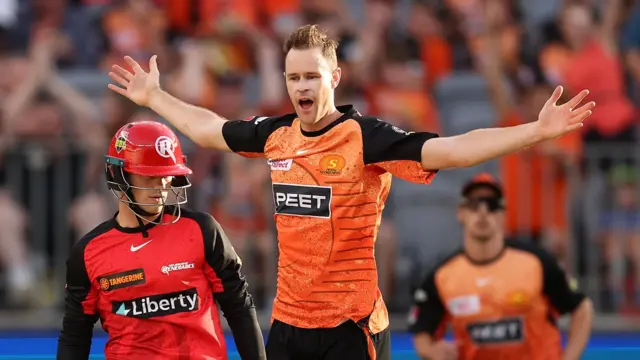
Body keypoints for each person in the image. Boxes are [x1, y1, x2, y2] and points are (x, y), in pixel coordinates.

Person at [106, 24, 594, 360]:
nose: (303, 86)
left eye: (312, 76)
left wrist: (535, 131)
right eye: (294, 77)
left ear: (334, 78)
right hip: (289, 326)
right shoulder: (277, 135)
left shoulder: (367, 137)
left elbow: (454, 149)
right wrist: (154, 98)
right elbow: (211, 130)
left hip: (351, 328)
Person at [57, 121, 265, 360]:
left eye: (166, 177)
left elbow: (239, 307)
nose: (161, 187)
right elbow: (75, 337)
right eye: (148, 177)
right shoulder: (88, 252)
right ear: (118, 175)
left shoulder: (202, 230)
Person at [408, 173, 594, 360]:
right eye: (474, 204)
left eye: (492, 204)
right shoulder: (443, 275)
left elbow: (581, 308)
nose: (482, 212)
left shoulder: (535, 262)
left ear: (503, 214)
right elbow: (421, 329)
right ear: (461, 212)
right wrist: (430, 351)